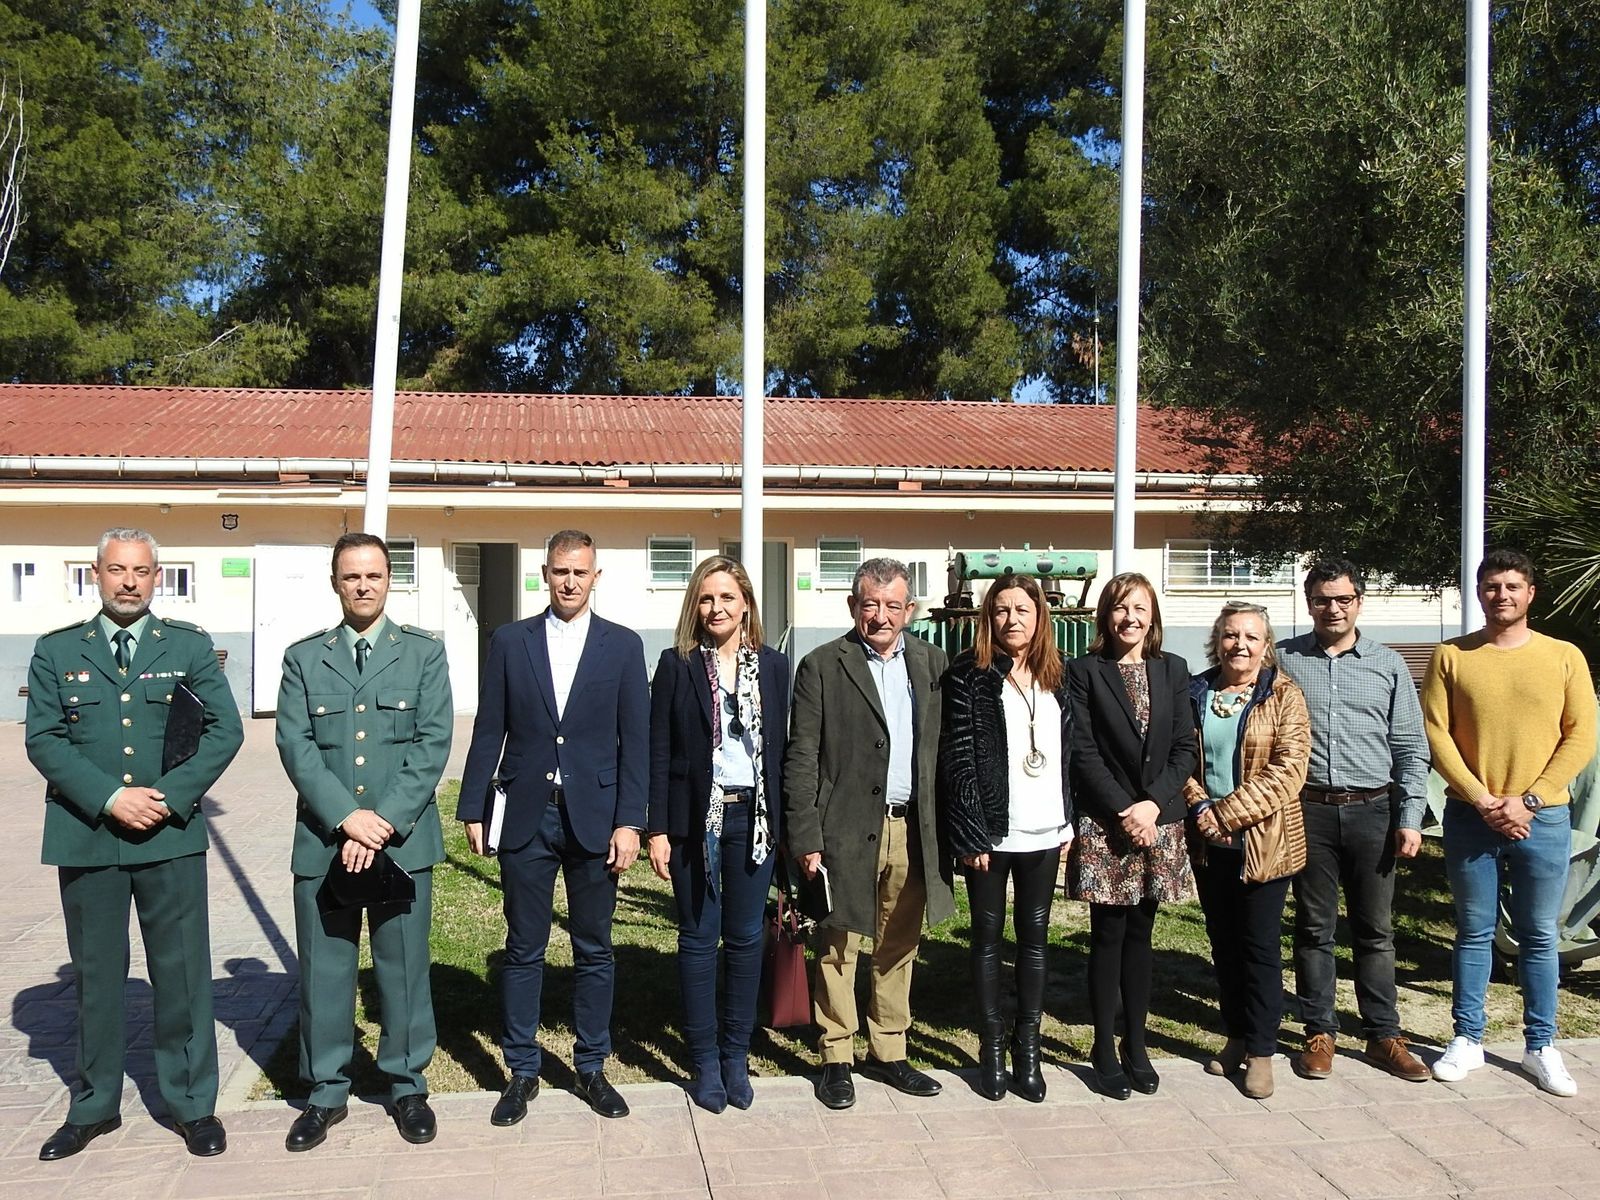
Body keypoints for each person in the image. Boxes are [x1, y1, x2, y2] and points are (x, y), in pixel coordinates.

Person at [25, 528, 243, 1160]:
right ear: (96, 574)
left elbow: (224, 731)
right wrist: (109, 798)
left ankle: (192, 1103)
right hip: (88, 834)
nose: (129, 582)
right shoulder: (57, 650)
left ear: (156, 577)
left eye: (141, 571)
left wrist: (169, 796)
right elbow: (43, 738)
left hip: (169, 835)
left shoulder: (188, 646)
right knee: (97, 975)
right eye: (117, 570)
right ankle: (95, 1105)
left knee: (182, 972)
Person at [458, 530, 648, 1123]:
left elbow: (636, 742)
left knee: (594, 946)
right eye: (560, 571)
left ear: (596, 577)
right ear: (544, 573)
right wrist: (473, 807)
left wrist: (630, 821)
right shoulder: (511, 641)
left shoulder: (623, 646)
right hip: (527, 814)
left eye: (580, 572)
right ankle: (522, 1070)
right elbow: (489, 727)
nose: (570, 581)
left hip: (596, 817)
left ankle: (591, 1066)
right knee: (523, 947)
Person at [275, 533, 454, 1150]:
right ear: (335, 583)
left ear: (389, 580)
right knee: (325, 970)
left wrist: (381, 823)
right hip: (325, 840)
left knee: (402, 969)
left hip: (400, 841)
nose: (363, 586)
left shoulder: (423, 654)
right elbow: (295, 745)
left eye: (373, 575)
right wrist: (346, 818)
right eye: (351, 576)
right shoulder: (304, 658)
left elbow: (433, 742)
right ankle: (326, 1091)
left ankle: (406, 1084)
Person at [1423, 548, 1596, 1097]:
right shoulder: (1451, 655)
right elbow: (1436, 733)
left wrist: (1530, 800)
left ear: (1530, 594)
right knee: (1474, 932)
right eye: (1492, 586)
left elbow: (1582, 734)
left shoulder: (1563, 656)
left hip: (1543, 819)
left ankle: (1541, 1046)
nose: (1502, 595)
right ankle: (1467, 1038)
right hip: (1471, 817)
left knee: (1540, 936)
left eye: (1512, 586)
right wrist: (1483, 800)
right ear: (1479, 593)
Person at [784, 557, 954, 1110]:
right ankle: (836, 1054)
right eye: (870, 604)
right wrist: (806, 836)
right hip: (843, 829)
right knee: (838, 944)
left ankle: (889, 1050)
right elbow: (801, 757)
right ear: (853, 605)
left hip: (911, 828)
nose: (880, 616)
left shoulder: (932, 663)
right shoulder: (821, 666)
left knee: (898, 943)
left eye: (892, 605)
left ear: (910, 610)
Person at [1277, 558, 1432, 1084]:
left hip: (1374, 812)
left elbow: (1410, 747)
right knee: (1313, 927)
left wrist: (1410, 816)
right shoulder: (1284, 660)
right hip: (1308, 811)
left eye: (1343, 599)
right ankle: (1319, 1031)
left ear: (1359, 602)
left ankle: (1383, 1034)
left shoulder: (1388, 665)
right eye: (1322, 600)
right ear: (1309, 604)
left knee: (1375, 930)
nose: (1333, 609)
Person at [647, 556, 788, 1113]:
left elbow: (783, 749)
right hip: (694, 822)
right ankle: (704, 1060)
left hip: (754, 821)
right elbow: (659, 748)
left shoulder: (773, 666)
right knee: (699, 938)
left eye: (727, 597)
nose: (716, 608)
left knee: (747, 938)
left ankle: (735, 1054)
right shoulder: (677, 664)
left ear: (746, 603)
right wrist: (658, 828)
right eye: (706, 598)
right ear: (695, 605)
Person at [938, 574, 1072, 1102]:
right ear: (987, 617)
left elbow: (1069, 755)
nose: (1012, 619)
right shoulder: (969, 674)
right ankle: (991, 1048)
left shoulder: (1059, 674)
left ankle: (1027, 1049)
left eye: (1023, 610)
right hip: (992, 834)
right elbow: (958, 757)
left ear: (1040, 616)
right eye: (1001, 610)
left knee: (1035, 939)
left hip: (1045, 828)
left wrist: (1067, 822)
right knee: (988, 938)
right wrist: (970, 831)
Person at [1066, 572, 1196, 1099]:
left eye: (1140, 608)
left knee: (1142, 933)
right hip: (1108, 823)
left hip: (1158, 819)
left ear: (1153, 615)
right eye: (1121, 608)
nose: (1130, 618)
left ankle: (1136, 1045)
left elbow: (1185, 747)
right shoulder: (1084, 671)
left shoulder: (1174, 669)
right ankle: (1103, 1047)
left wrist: (1152, 805)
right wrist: (1125, 809)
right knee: (1108, 935)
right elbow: (1082, 750)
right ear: (1106, 615)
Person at [1184, 600, 1310, 1100]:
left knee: (1258, 949)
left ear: (1266, 645)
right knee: (1224, 945)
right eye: (1231, 635)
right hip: (1209, 843)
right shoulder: (1195, 690)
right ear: (1217, 641)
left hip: (1264, 842)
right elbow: (1180, 757)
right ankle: (1236, 1035)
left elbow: (1289, 770)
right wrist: (1200, 808)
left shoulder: (1284, 695)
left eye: (1251, 637)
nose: (1240, 645)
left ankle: (1261, 1052)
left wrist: (1226, 815)